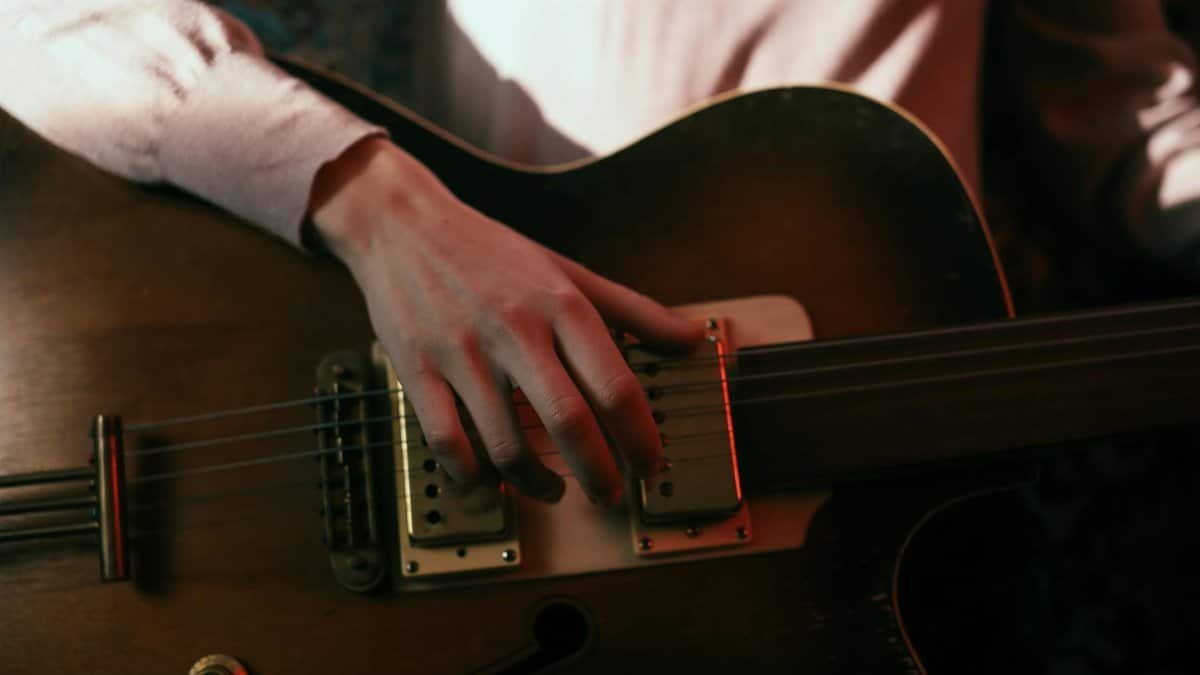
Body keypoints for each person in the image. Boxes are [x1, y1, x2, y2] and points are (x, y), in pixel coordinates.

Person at [2, 0, 1198, 509]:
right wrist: (371, 200)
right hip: (488, 459)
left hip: (869, 483)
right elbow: (40, 30)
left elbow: (1129, 117)